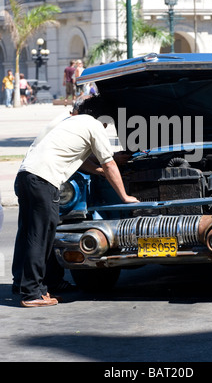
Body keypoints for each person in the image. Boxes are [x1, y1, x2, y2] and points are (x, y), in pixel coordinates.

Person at [12, 94, 139, 308]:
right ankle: (32, 293)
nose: (108, 126)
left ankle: (31, 287)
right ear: (103, 118)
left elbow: (80, 160)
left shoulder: (71, 123)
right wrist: (125, 197)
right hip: (44, 180)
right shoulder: (93, 126)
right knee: (41, 236)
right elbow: (109, 164)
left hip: (26, 176)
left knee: (30, 233)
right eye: (108, 122)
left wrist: (99, 172)